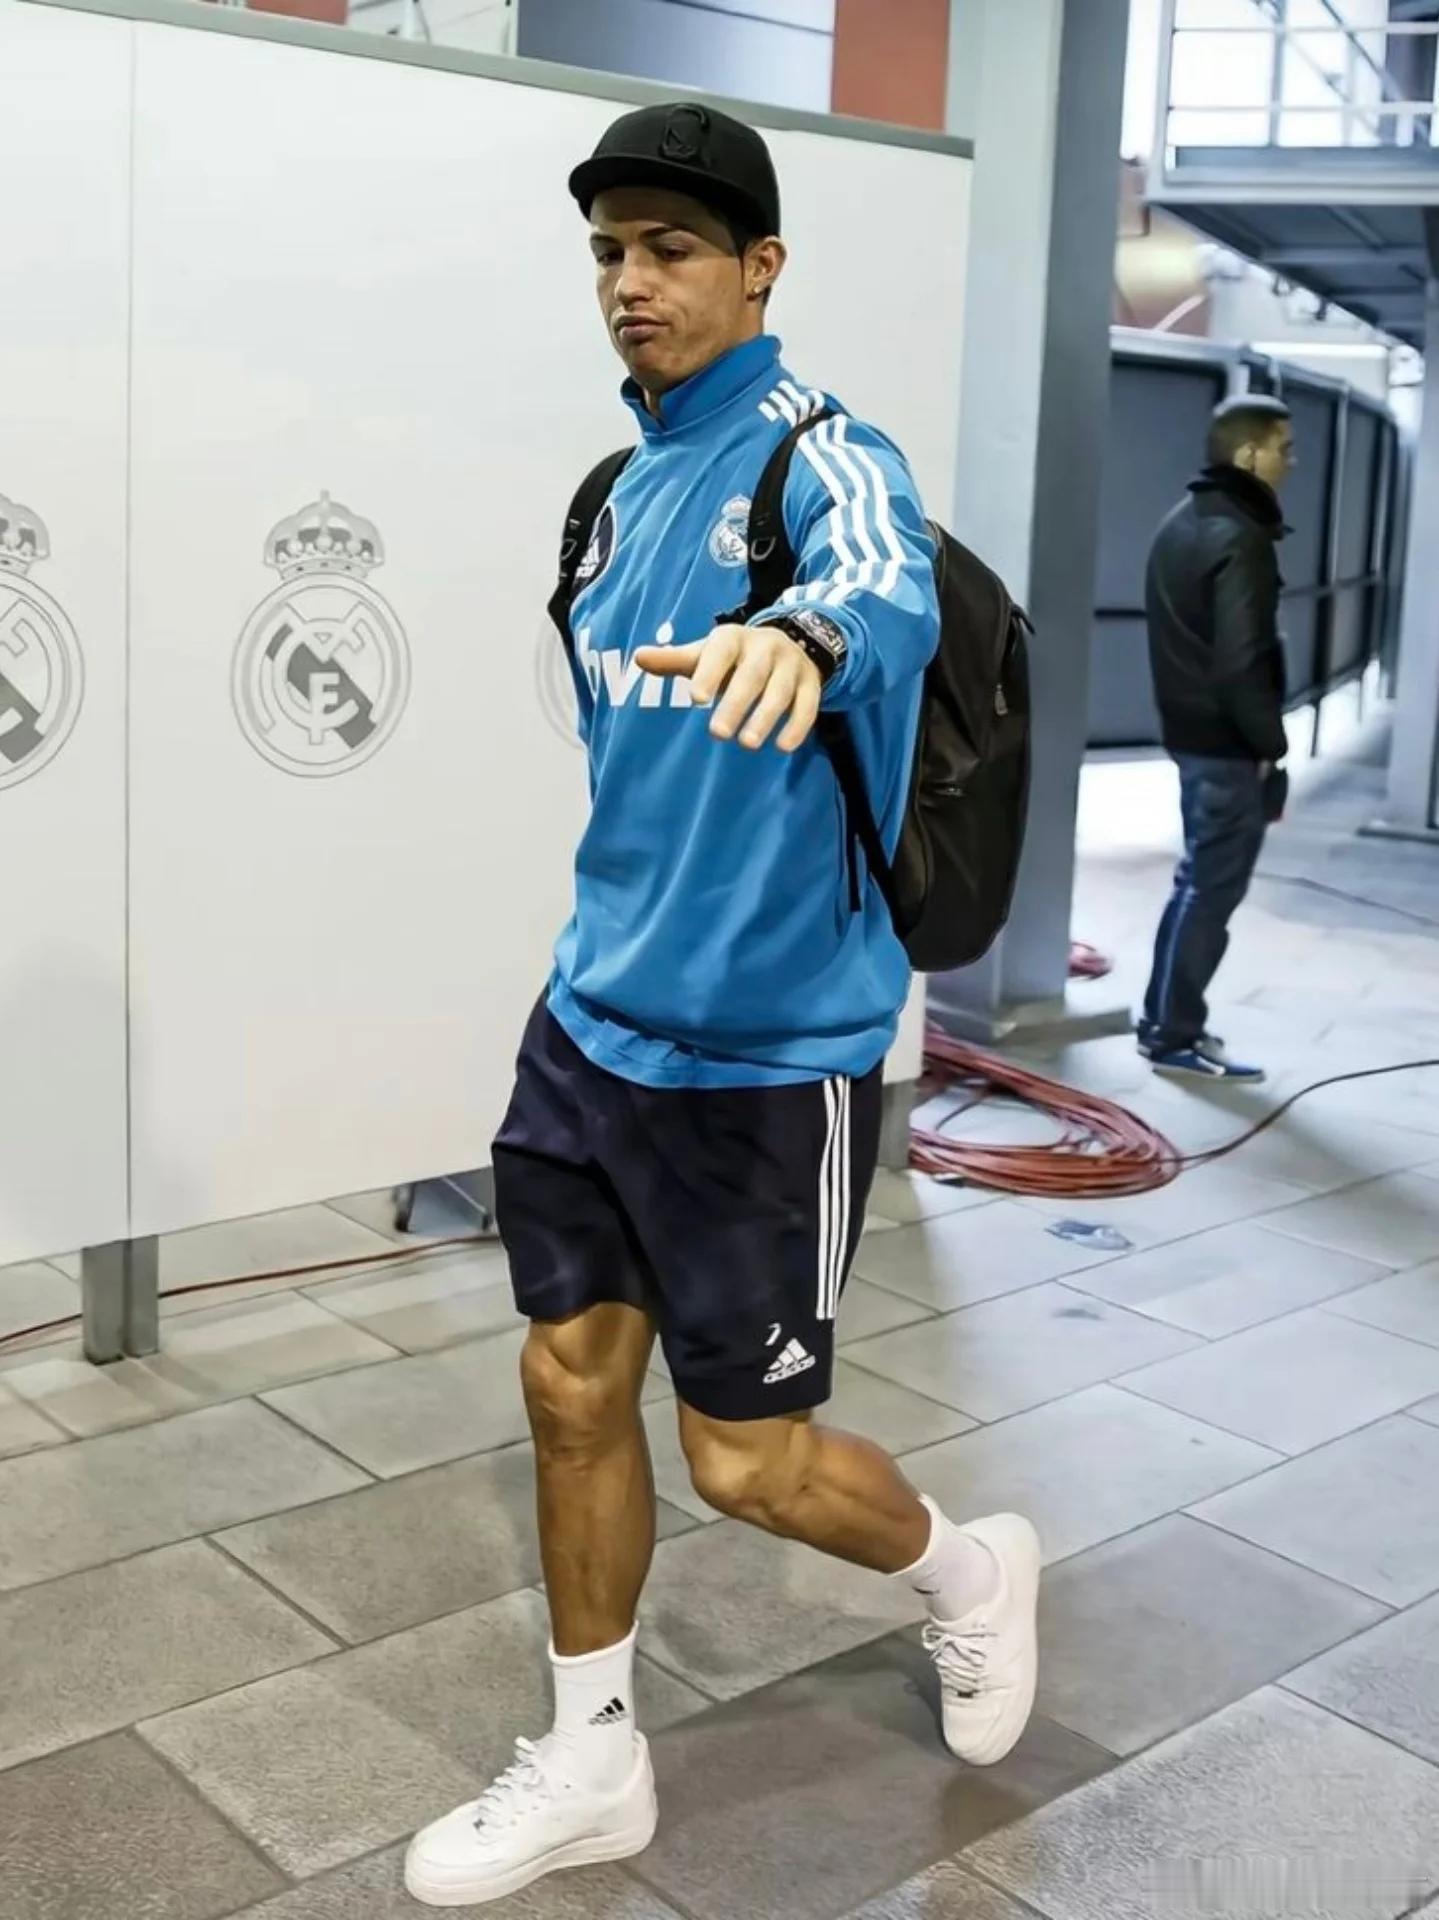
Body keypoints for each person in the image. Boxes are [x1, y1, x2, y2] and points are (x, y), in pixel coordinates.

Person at [404, 102, 1041, 1909]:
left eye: (671, 248)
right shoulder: (611, 493)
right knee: (565, 1386)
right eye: (609, 250)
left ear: (759, 267)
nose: (631, 281)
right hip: (588, 1024)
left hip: (763, 1061)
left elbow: (882, 586)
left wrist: (804, 637)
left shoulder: (824, 459)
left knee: (745, 1467)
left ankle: (969, 1572)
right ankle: (591, 1755)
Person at [1138, 394, 1294, 1083]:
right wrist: (1270, 746)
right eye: (1284, 448)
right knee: (1210, 891)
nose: (1291, 462)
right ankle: (1175, 1035)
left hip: (1190, 735)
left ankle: (1161, 1022)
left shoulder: (1183, 521)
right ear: (1250, 454)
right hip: (1226, 747)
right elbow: (1241, 660)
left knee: (1195, 881)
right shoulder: (1240, 536)